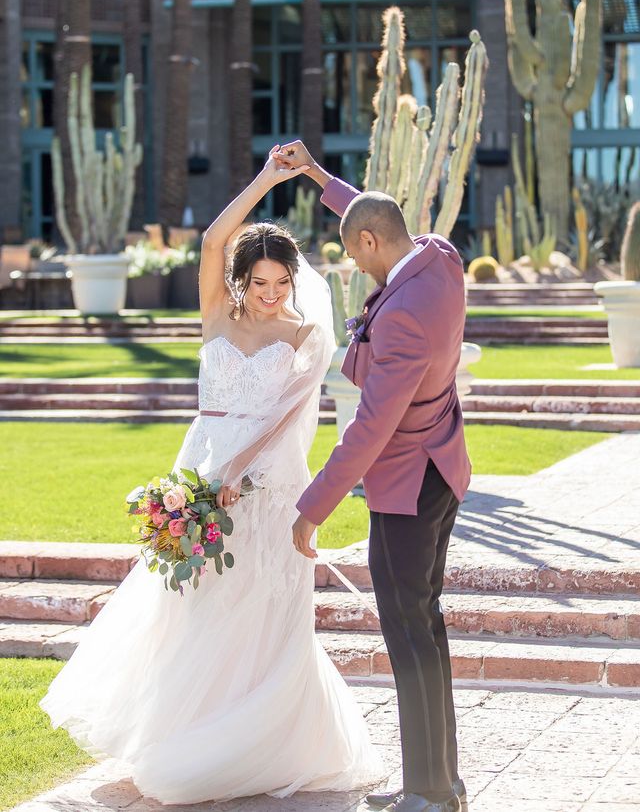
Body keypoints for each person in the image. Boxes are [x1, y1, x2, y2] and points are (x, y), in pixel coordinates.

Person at [39, 146, 383, 805]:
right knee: (195, 604)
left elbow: (287, 418)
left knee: (264, 606)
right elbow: (213, 239)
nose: (272, 294)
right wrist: (267, 178)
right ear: (240, 281)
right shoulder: (217, 314)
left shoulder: (304, 333)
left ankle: (263, 742)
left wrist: (240, 470)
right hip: (199, 469)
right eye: (260, 283)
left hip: (268, 479)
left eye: (281, 282)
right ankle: (188, 730)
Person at [276, 141, 471, 812]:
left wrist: (312, 507)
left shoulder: (405, 317)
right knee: (426, 628)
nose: (356, 266)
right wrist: (317, 176)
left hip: (408, 486)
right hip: (441, 468)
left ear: (369, 242)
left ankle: (428, 792)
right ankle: (442, 783)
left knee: (410, 636)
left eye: (355, 253)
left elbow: (370, 429)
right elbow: (377, 214)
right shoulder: (440, 257)